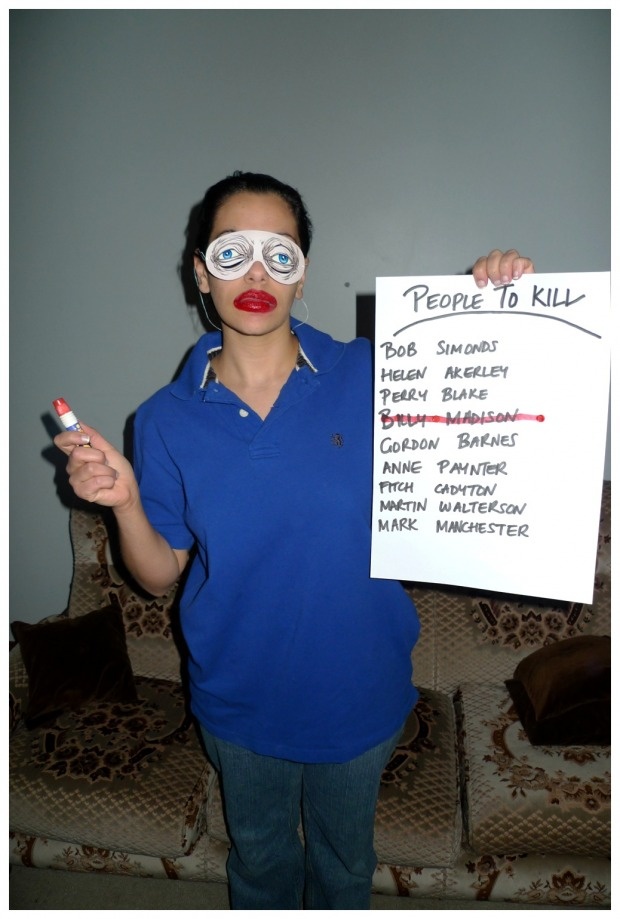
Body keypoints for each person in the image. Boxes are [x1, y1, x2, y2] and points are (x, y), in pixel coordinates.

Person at [54, 171, 534, 910]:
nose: (255, 273)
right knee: (263, 866)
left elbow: (496, 408)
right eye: (231, 252)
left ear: (302, 274)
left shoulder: (378, 376)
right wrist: (123, 503)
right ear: (199, 273)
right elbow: (158, 575)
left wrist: (493, 306)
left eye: (279, 254)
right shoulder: (162, 420)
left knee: (345, 871)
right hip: (236, 700)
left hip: (359, 694)